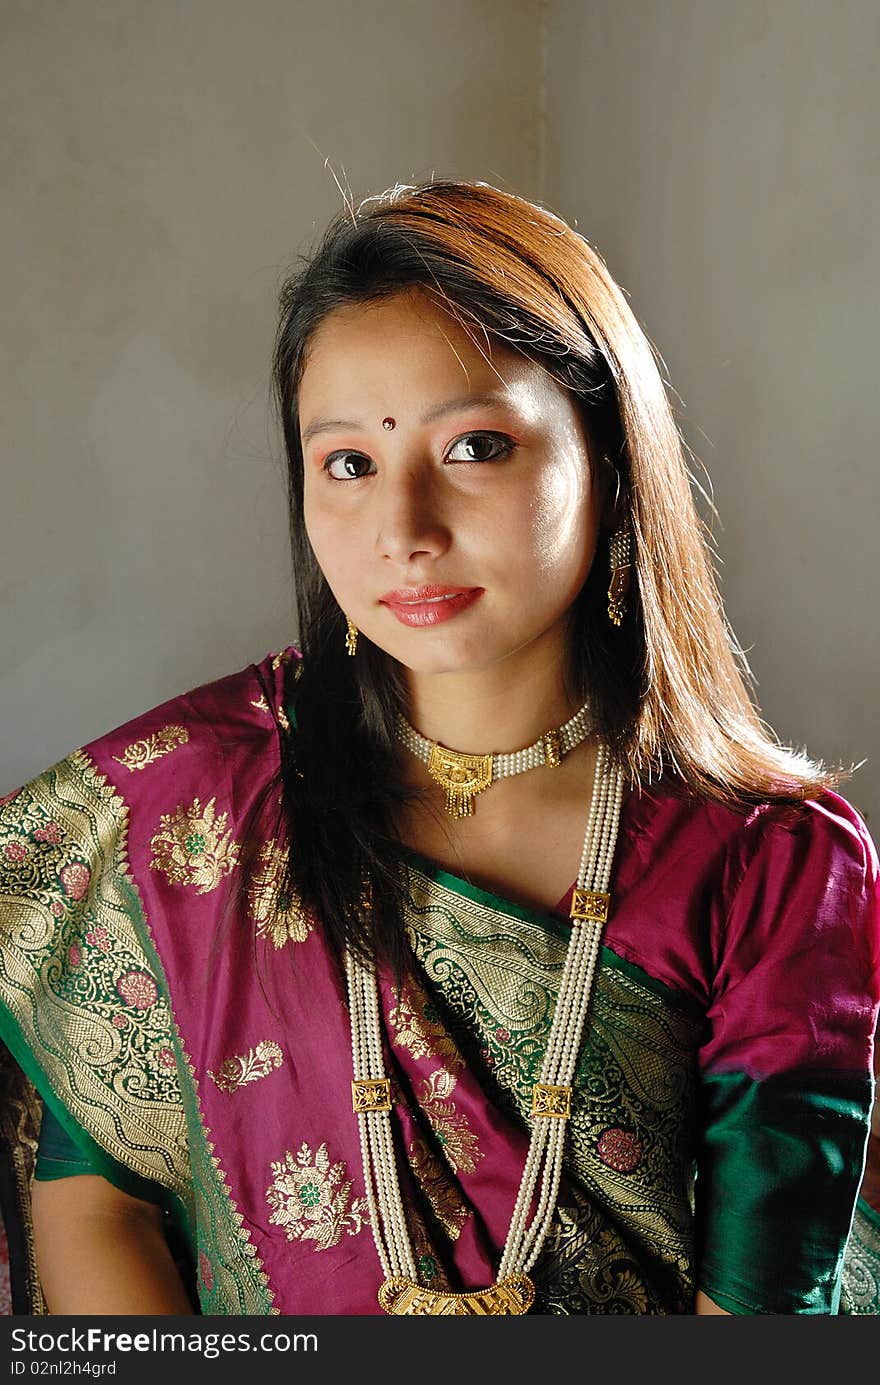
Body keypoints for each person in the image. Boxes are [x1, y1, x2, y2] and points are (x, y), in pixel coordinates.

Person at [0, 179, 878, 1317]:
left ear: (608, 466)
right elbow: (99, 1190)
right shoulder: (196, 802)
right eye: (349, 463)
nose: (402, 531)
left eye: (474, 445)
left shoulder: (769, 855)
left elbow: (763, 1306)